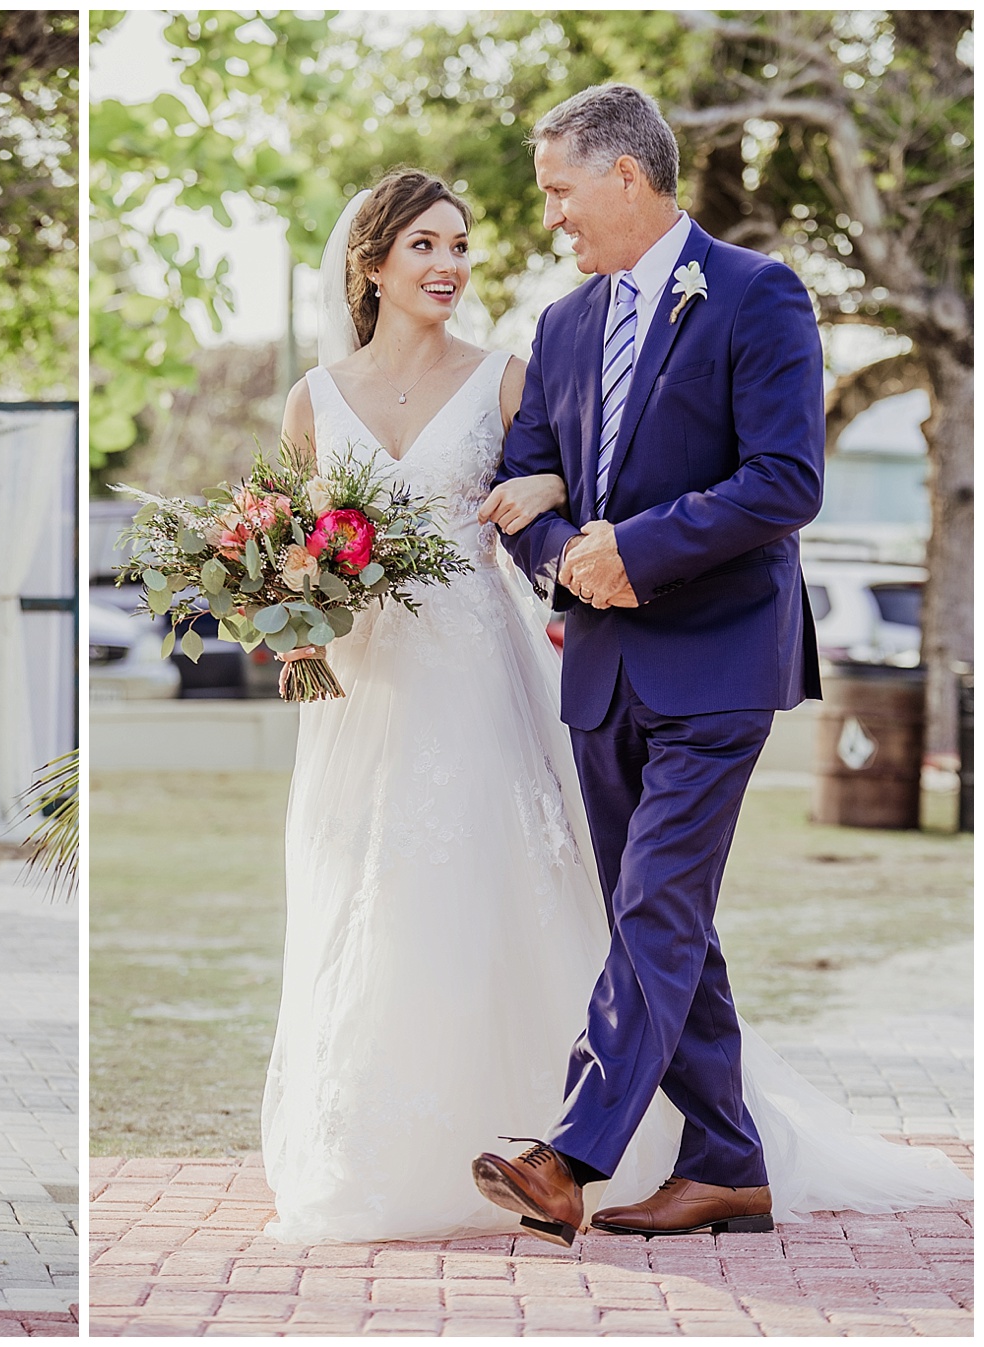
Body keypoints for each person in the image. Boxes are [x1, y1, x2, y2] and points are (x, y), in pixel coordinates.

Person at [260, 151, 970, 1245]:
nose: (535, 218)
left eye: (551, 190)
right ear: (370, 266)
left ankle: (570, 1154)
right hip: (565, 672)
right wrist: (546, 543)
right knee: (662, 913)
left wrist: (616, 546)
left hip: (712, 659)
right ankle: (728, 1158)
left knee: (649, 907)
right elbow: (538, 491)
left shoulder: (753, 291)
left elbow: (786, 480)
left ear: (623, 174)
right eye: (430, 242)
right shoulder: (562, 326)